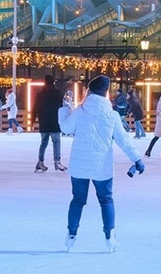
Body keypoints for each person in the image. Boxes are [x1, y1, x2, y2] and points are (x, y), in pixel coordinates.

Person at [58, 74, 143, 253]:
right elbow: (123, 139)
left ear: (90, 90)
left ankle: (71, 235)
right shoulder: (111, 115)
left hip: (80, 165)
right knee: (106, 200)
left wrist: (64, 109)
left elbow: (65, 128)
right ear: (105, 93)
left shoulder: (80, 111)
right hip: (101, 166)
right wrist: (136, 158)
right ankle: (109, 236)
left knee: (78, 200)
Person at [33, 75, 66, 172]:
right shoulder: (58, 93)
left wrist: (32, 120)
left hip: (44, 121)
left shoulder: (40, 94)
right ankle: (57, 162)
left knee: (44, 142)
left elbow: (35, 107)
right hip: (55, 121)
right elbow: (61, 106)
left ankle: (40, 161)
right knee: (56, 142)